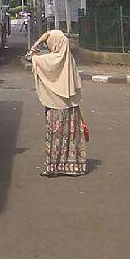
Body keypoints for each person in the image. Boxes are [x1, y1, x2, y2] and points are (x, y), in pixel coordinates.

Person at [27, 29, 87, 177]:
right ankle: (73, 166)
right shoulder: (69, 59)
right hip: (71, 106)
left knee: (55, 137)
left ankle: (53, 167)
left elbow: (29, 56)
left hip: (54, 107)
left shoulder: (47, 60)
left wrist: (40, 40)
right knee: (71, 136)